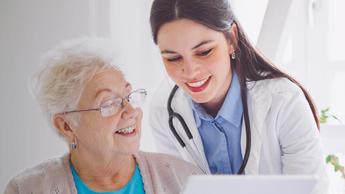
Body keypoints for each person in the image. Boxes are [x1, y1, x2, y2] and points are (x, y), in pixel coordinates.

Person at [149, 0, 327, 193]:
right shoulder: (163, 111)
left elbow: (312, 190)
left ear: (231, 39)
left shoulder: (284, 101)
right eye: (173, 58)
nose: (190, 72)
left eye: (204, 52)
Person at [4, 38, 201, 194]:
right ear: (66, 126)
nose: (131, 112)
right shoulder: (27, 189)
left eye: (128, 97)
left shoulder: (185, 180)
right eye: (109, 103)